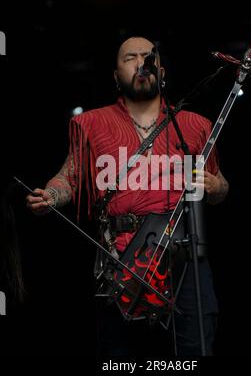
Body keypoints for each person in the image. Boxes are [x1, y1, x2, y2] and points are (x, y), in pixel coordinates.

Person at [26, 36, 229, 356]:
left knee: (193, 348)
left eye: (148, 57)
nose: (140, 63)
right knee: (120, 353)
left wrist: (216, 187)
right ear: (116, 76)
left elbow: (220, 188)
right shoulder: (89, 123)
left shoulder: (196, 125)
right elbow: (70, 176)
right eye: (130, 58)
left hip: (184, 256)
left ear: (162, 72)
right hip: (119, 256)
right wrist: (50, 195)